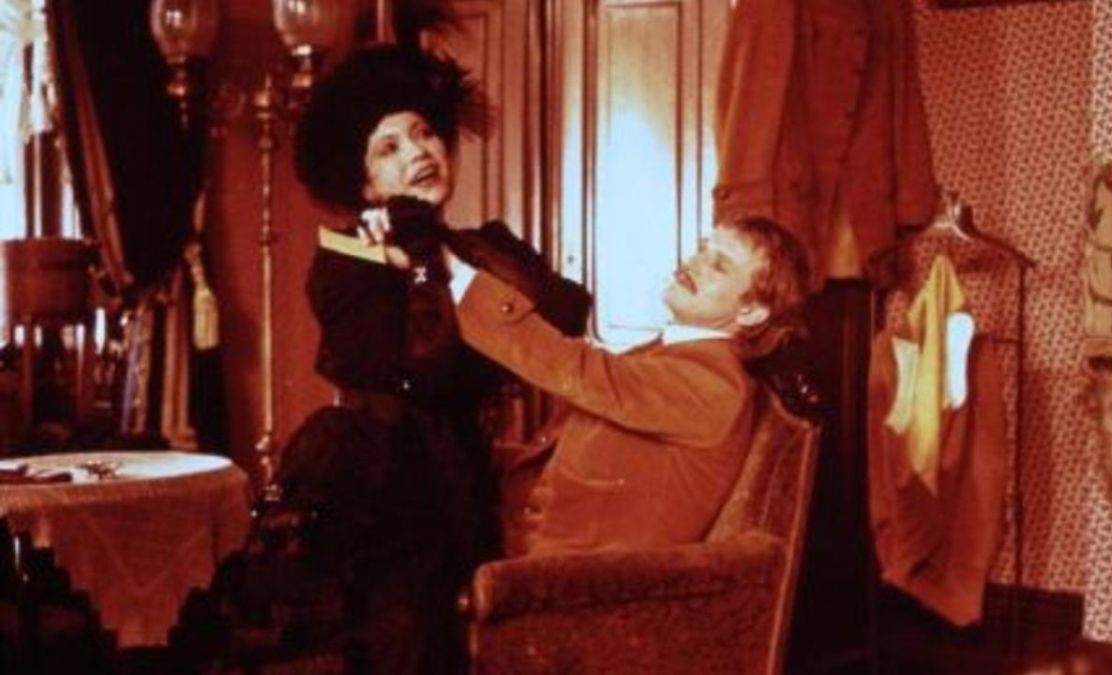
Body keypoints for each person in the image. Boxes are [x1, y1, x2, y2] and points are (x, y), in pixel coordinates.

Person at [167, 33, 589, 675]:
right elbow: (431, 369)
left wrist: (442, 261)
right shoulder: (348, 261)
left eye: (424, 133)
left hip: (459, 482)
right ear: (364, 183)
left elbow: (565, 314)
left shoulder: (482, 246)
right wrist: (420, 262)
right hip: (373, 494)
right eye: (388, 148)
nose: (418, 152)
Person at [361, 214, 810, 555]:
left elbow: (576, 368)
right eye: (702, 249)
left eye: (719, 266)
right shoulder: (673, 353)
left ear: (751, 311)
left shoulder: (715, 385)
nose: (694, 262)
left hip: (570, 581)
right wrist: (421, 268)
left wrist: (447, 271)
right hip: (529, 541)